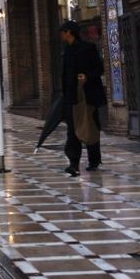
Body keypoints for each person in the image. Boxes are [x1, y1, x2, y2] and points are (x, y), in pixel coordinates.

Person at [59, 20, 106, 175]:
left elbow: (99, 68)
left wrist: (87, 76)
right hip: (71, 98)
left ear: (69, 33)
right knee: (72, 130)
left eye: (62, 32)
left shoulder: (88, 48)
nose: (61, 35)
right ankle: (74, 164)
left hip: (88, 97)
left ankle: (94, 159)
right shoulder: (66, 51)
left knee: (90, 127)